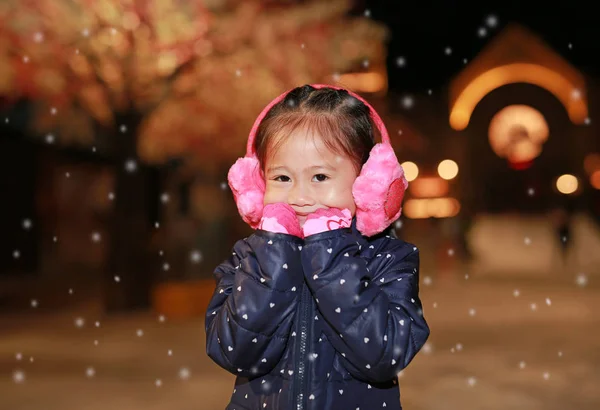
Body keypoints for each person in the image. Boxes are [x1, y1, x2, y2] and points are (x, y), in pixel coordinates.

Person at [205, 84, 430, 410]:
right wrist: (273, 257)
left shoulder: (389, 259)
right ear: (257, 184)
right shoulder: (250, 257)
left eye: (320, 177)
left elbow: (383, 356)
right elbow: (234, 353)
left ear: (370, 183)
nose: (298, 197)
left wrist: (330, 257)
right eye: (282, 178)